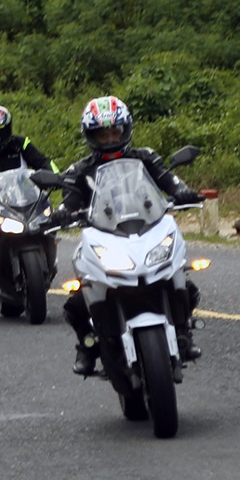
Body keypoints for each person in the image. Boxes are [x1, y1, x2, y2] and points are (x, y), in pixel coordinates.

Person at [52, 95, 204, 374]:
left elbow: (170, 180)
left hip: (146, 230)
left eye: (115, 131)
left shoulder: (145, 157)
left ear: (126, 129)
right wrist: (61, 213)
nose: (110, 139)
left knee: (184, 282)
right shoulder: (79, 170)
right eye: (102, 133)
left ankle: (183, 332)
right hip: (104, 236)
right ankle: (87, 346)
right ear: (90, 135)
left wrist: (182, 192)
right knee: (76, 301)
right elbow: (69, 200)